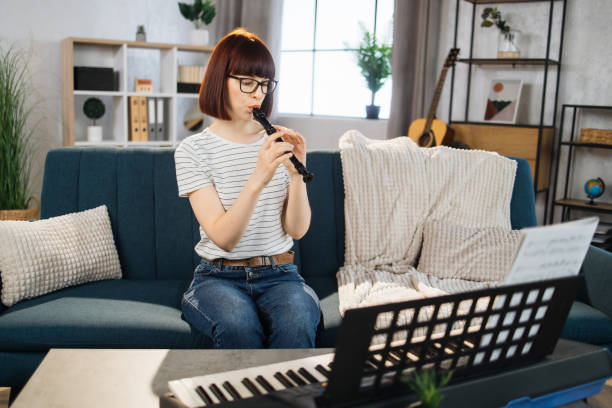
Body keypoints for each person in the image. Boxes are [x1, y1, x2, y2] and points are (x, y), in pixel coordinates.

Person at [174, 28, 321, 349]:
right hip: (216, 278)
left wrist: (296, 176)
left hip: (280, 274)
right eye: (248, 83)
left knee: (296, 324)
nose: (259, 95)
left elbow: (297, 230)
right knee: (238, 327)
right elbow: (225, 239)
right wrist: (258, 177)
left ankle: (291, 400)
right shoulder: (193, 150)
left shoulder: (275, 141)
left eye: (265, 85)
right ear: (219, 80)